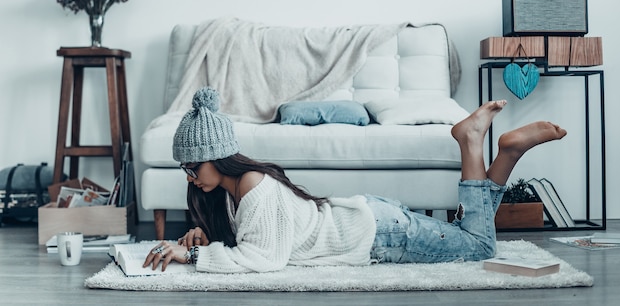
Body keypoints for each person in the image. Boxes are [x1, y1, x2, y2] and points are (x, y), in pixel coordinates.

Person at [143, 87, 567, 273]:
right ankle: (506, 153)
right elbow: (253, 240)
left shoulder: (254, 185)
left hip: (381, 235)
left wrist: (194, 258)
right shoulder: (236, 192)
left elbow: (263, 261)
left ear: (217, 157)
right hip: (374, 221)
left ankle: (472, 140)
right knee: (467, 235)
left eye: (193, 166)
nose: (190, 177)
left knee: (478, 248)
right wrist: (205, 234)